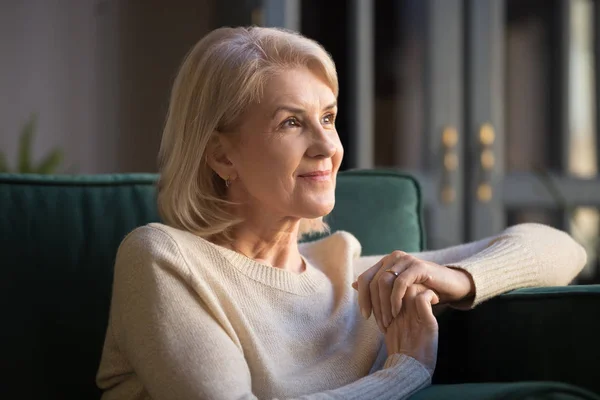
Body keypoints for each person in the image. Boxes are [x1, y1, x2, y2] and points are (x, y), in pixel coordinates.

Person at [96, 26, 586, 400]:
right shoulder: (162, 260)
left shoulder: (356, 278)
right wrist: (403, 375)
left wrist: (455, 278)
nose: (328, 146)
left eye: (328, 117)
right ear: (223, 156)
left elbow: (563, 249)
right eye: (292, 122)